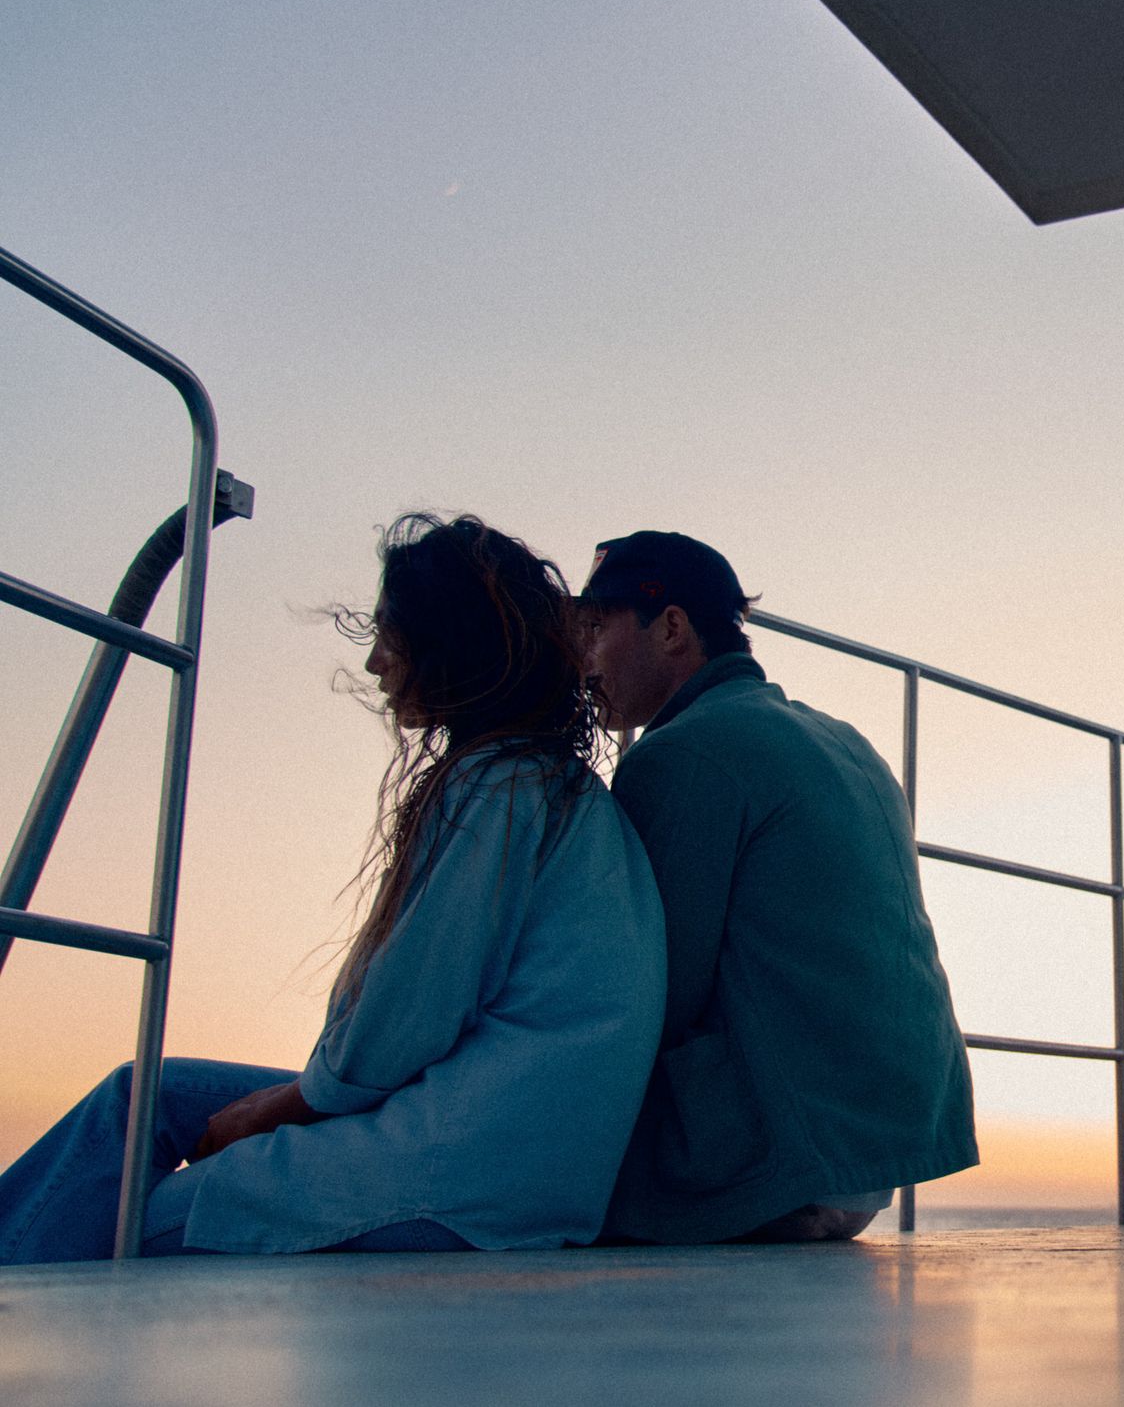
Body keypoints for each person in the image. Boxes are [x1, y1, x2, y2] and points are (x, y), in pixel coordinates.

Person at [0, 514, 666, 1262]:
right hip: (510, 1151)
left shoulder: (500, 788)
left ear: (447, 642)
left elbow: (410, 1014)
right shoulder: (553, 788)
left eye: (391, 635)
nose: (378, 663)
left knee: (118, 1215)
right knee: (140, 1095)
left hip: (457, 1179)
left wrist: (272, 1114)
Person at [577, 531, 977, 1244]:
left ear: (671, 628)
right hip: (870, 1159)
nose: (585, 659)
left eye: (597, 628)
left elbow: (650, 996)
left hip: (766, 1167)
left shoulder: (681, 754)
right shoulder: (846, 741)